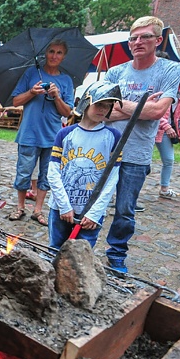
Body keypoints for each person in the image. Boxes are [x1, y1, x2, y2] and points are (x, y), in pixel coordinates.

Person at [102, 16, 180, 273]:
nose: (137, 42)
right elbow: (103, 110)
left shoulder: (170, 70)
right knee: (91, 201)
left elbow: (158, 111)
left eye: (145, 37)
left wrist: (122, 106)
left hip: (136, 153)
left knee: (125, 210)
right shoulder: (116, 71)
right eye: (133, 37)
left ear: (158, 40)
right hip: (106, 148)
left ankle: (116, 254)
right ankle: (81, 245)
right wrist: (142, 107)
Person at [46, 81, 123, 249]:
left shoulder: (113, 137)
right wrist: (64, 206)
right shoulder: (65, 134)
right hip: (61, 207)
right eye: (99, 104)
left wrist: (95, 212)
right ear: (87, 103)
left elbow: (112, 178)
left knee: (82, 256)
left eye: (108, 106)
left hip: (91, 211)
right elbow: (53, 172)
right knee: (55, 250)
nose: (103, 109)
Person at [8, 39, 74, 226]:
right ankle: (20, 207)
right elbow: (16, 101)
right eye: (51, 51)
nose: (54, 55)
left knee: (47, 174)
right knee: (24, 172)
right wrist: (32, 92)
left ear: (64, 56)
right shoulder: (31, 73)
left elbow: (68, 112)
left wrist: (56, 96)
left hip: (53, 135)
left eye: (59, 52)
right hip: (29, 133)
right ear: (45, 53)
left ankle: (38, 210)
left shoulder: (66, 80)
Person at [153, 51, 180, 200]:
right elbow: (152, 109)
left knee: (168, 160)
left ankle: (164, 188)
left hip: (166, 131)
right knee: (141, 164)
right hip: (150, 128)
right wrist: (165, 125)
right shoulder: (154, 84)